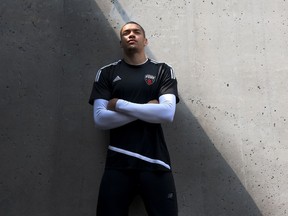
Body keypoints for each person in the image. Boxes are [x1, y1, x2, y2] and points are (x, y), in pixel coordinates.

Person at [89, 21, 179, 216]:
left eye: (136, 32)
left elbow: (167, 113)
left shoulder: (162, 70)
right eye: (126, 33)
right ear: (121, 42)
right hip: (118, 164)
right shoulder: (106, 73)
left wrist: (120, 104)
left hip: (156, 163)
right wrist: (147, 109)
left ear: (145, 40)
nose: (131, 35)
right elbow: (100, 119)